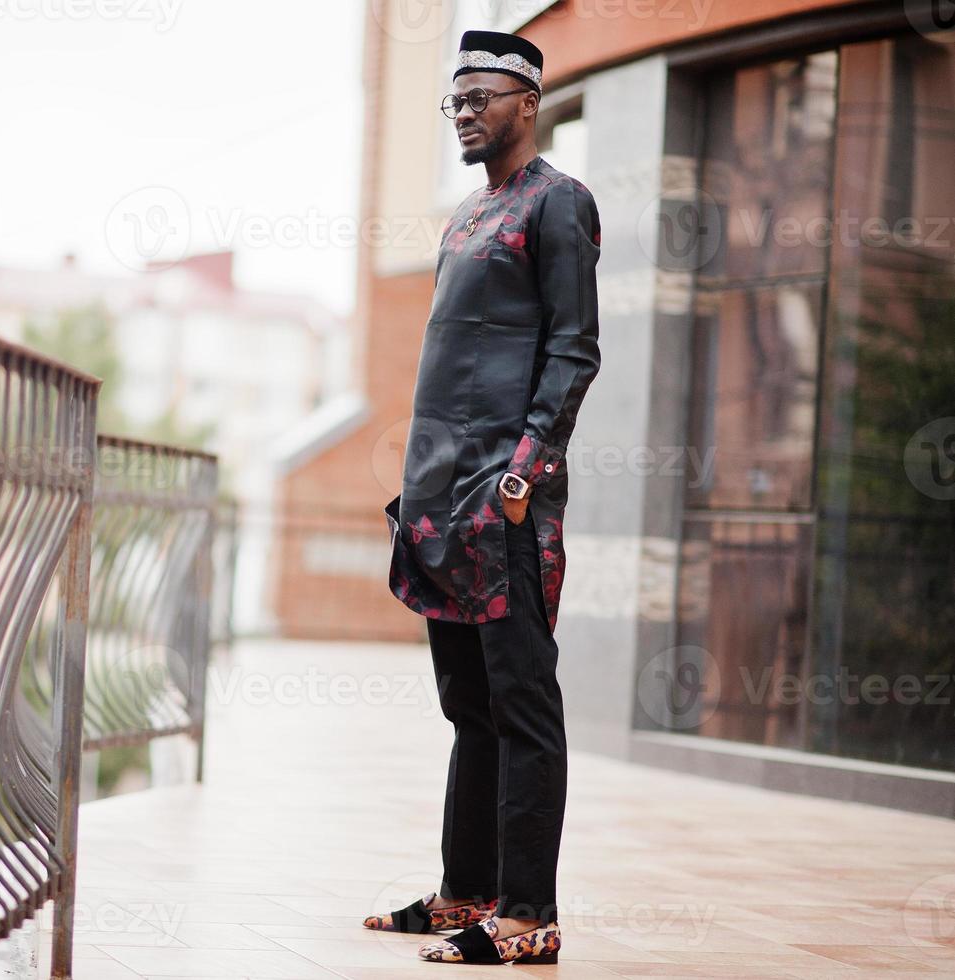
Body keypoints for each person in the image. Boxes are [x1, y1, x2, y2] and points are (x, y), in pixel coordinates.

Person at [363, 28, 601, 967]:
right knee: (468, 706)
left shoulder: (558, 203)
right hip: (436, 505)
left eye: (482, 96)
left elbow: (573, 349)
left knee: (522, 705)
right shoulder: (465, 217)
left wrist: (523, 470)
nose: (465, 111)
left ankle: (529, 915)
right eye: (454, 100)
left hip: (504, 501)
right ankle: (466, 895)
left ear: (528, 102)